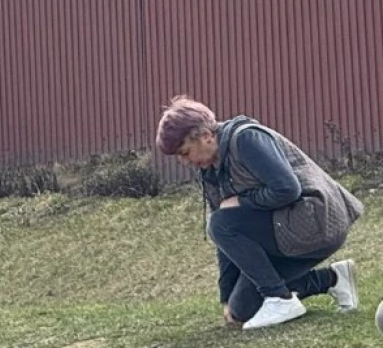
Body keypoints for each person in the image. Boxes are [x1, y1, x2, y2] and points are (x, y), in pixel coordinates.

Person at [156, 97, 363, 330]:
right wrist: (228, 297)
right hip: (283, 228)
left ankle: (281, 300)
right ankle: (333, 279)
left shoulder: (246, 139)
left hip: (316, 220)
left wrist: (242, 201)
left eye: (185, 152)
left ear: (206, 135)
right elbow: (227, 236)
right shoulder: (211, 170)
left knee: (220, 223)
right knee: (242, 310)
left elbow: (287, 189)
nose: (185, 162)